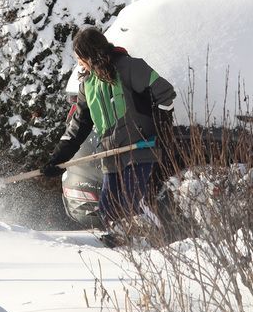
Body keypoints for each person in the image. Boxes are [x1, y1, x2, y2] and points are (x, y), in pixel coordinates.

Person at [42, 27, 176, 241]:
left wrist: (162, 129)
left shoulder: (130, 67)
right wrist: (58, 158)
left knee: (132, 203)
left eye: (79, 57)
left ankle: (162, 243)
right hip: (111, 154)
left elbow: (165, 93)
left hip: (138, 147)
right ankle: (124, 248)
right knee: (108, 209)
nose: (79, 62)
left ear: (89, 53)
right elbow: (79, 125)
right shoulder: (88, 85)